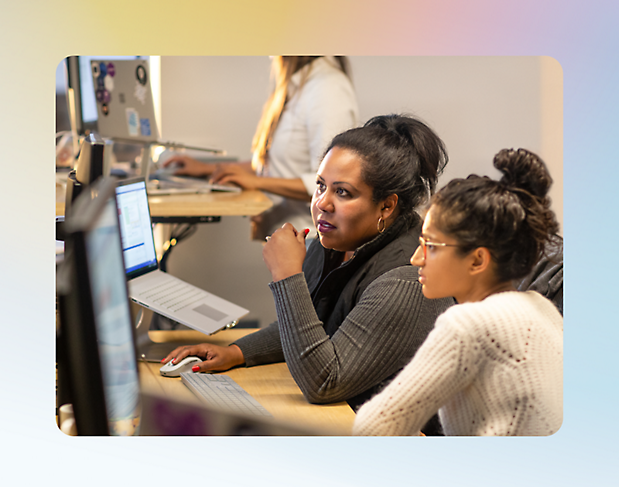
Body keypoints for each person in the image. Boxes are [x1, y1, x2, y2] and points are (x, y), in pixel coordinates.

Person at [162, 114, 454, 415]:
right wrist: (236, 352)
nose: (322, 204)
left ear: (387, 206)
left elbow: (325, 382)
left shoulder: (407, 281)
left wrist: (286, 274)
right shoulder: (336, 244)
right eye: (320, 186)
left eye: (343, 192)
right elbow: (312, 325)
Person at [353, 148, 563, 436]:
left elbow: (371, 430)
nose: (416, 258)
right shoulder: (543, 309)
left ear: (477, 260)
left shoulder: (469, 324)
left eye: (431, 246)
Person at [162, 56, 359, 238]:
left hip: (310, 241)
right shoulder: (300, 86)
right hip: (287, 239)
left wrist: (256, 182)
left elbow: (334, 183)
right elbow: (277, 166)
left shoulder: (327, 88)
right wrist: (208, 169)